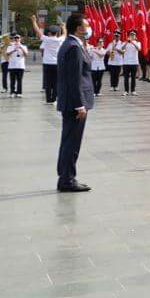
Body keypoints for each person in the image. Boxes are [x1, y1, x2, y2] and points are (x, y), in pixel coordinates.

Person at [55, 13, 95, 193]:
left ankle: (65, 176)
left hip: (72, 101)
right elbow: (74, 79)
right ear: (79, 29)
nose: (88, 29)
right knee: (72, 143)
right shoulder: (73, 47)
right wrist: (80, 105)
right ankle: (67, 180)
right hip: (75, 104)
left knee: (68, 141)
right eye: (86, 26)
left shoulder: (71, 45)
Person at [32, 15, 65, 103]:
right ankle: (54, 99)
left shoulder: (46, 39)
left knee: (48, 82)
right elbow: (65, 34)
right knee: (56, 82)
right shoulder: (60, 40)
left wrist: (34, 21)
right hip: (57, 63)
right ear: (57, 33)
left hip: (47, 63)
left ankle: (48, 100)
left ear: (50, 33)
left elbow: (38, 31)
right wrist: (63, 27)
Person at [121, 30, 142, 95]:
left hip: (134, 62)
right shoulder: (125, 42)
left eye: (133, 35)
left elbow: (139, 49)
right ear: (129, 36)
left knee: (133, 77)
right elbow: (122, 48)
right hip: (126, 62)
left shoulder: (138, 42)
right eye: (131, 35)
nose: (132, 36)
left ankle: (133, 91)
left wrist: (132, 42)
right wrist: (127, 42)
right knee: (126, 78)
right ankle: (126, 91)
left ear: (135, 36)